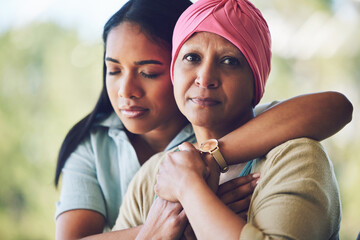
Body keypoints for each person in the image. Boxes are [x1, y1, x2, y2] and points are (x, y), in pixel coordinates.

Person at [55, 0, 353, 239]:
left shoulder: (295, 156)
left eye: (229, 61)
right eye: (191, 58)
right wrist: (159, 230)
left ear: (256, 82)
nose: (206, 78)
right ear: (175, 72)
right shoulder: (153, 174)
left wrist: (191, 190)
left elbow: (333, 106)